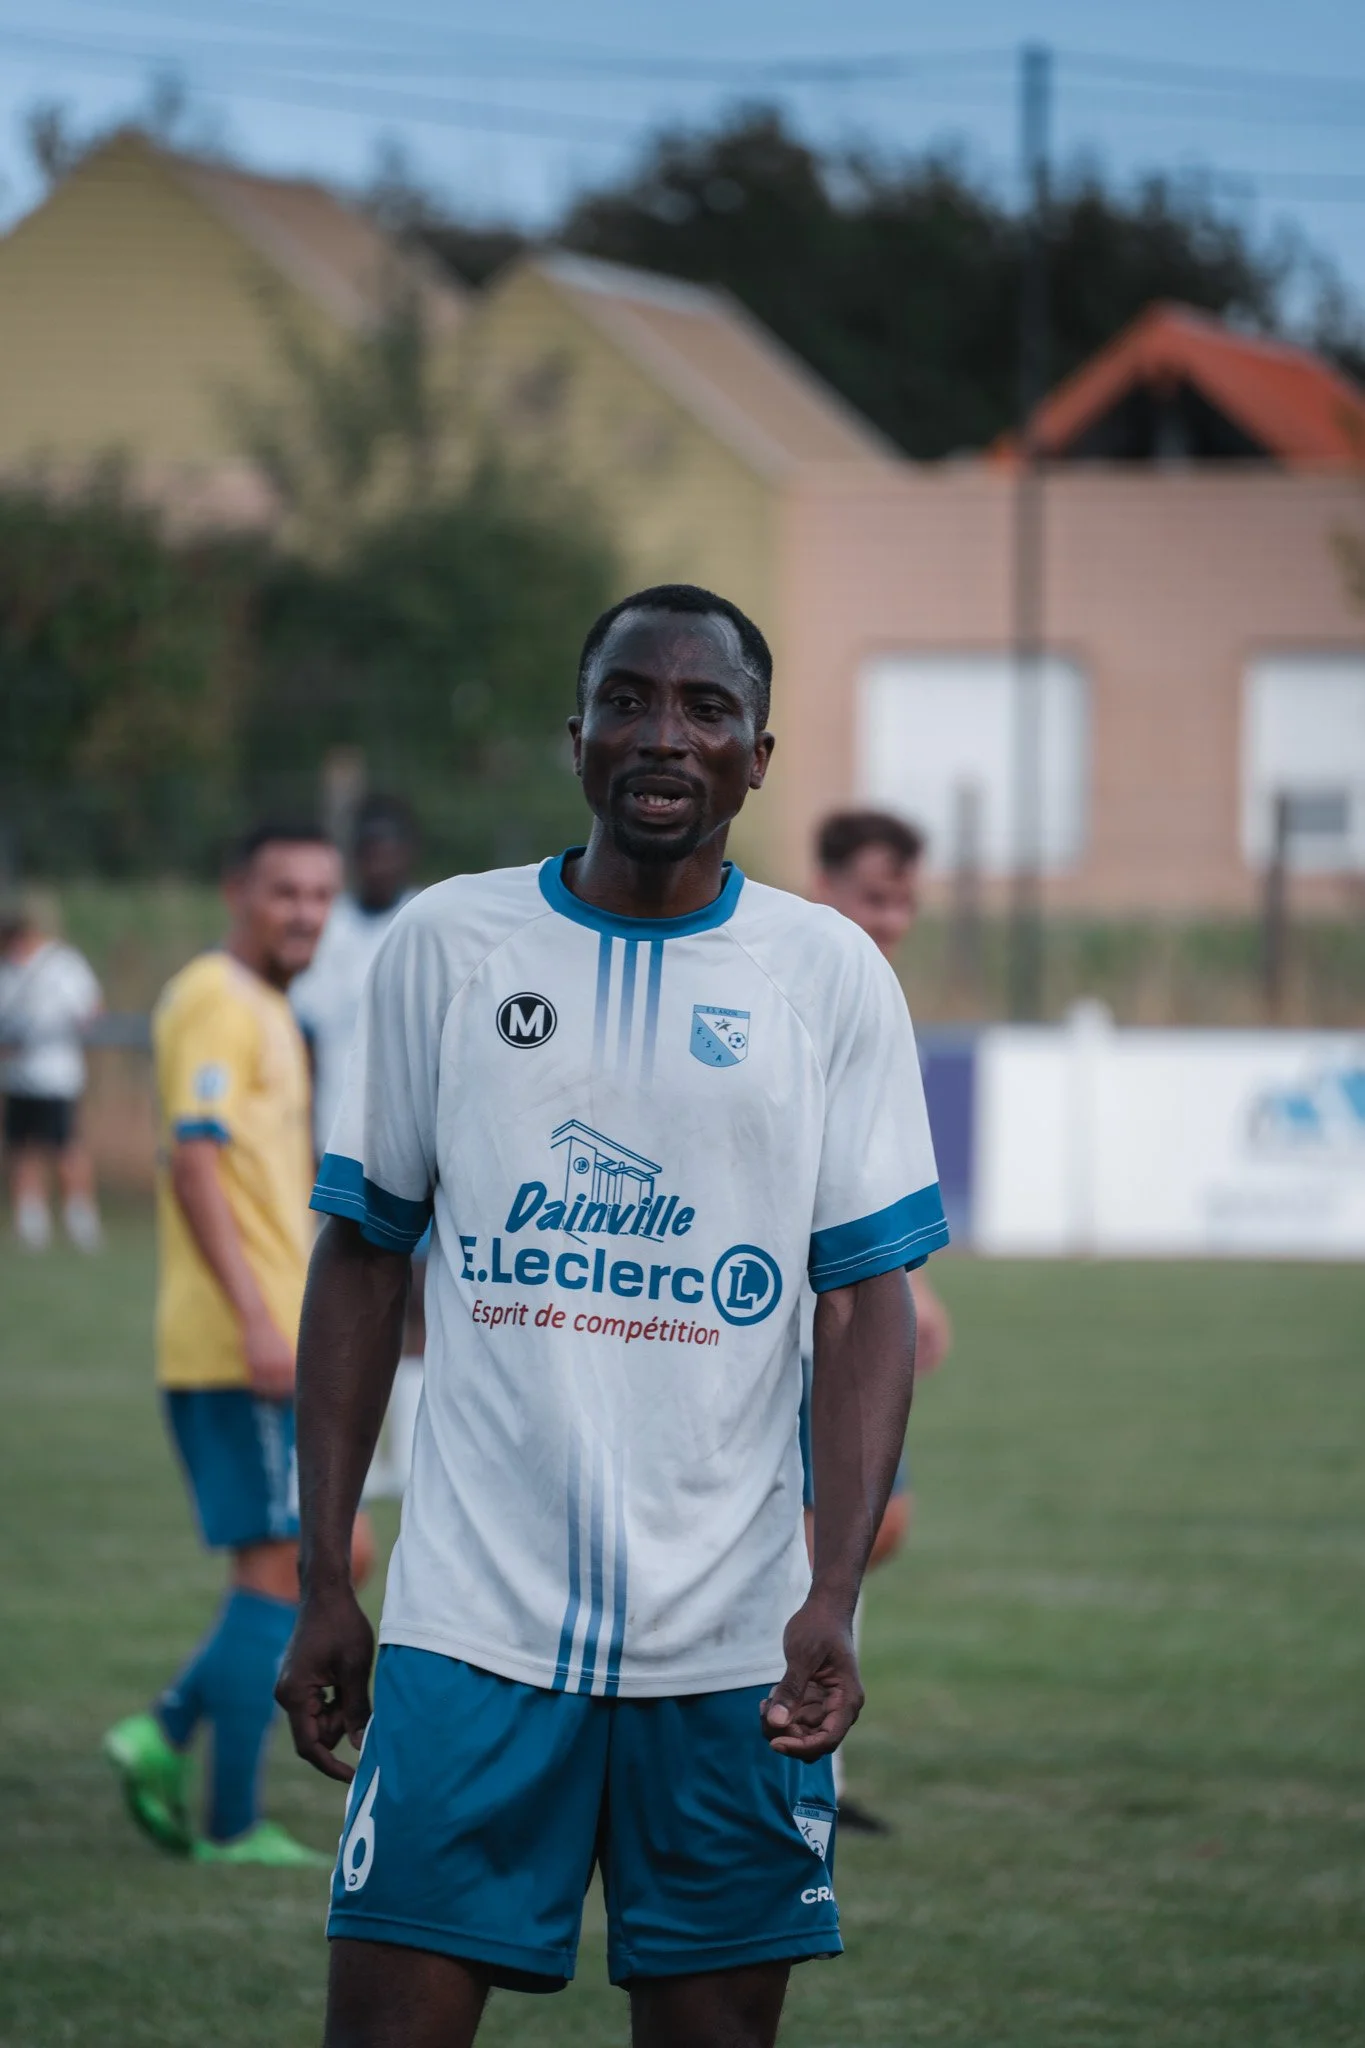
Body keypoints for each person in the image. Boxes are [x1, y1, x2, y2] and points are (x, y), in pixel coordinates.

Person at [277, 583, 950, 2048]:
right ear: (575, 735)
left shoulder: (825, 975)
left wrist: (832, 1589)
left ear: (758, 756)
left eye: (707, 710)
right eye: (631, 701)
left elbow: (864, 1307)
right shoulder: (451, 948)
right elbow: (361, 1261)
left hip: (731, 1646)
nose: (665, 734)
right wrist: (325, 1569)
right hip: (467, 1629)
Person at [103, 823, 374, 1867]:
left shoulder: (271, 1005)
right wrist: (261, 1320)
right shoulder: (216, 995)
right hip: (236, 1340)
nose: (303, 911)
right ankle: (227, 1821)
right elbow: (195, 1163)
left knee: (338, 1551)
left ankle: (165, 1726)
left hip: (276, 1331)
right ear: (236, 892)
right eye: (283, 891)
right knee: (284, 1570)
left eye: (320, 895)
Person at [807, 808, 955, 1834]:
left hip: (860, 1292)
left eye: (904, 899)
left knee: (861, 1527)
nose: (892, 918)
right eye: (873, 895)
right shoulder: (799, 980)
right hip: (802, 1309)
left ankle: (813, 1756)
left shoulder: (872, 989)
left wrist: (919, 1285)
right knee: (830, 1533)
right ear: (823, 884)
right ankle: (793, 1755)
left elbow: (877, 1170)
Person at [291, 796, 425, 1496]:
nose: (377, 863)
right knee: (346, 1297)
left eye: (388, 851)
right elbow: (306, 1034)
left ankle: (408, 1458)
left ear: (404, 857)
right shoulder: (331, 933)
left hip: (413, 1148)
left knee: (420, 1302)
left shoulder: (426, 922)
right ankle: (362, 1460)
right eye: (366, 853)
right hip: (336, 1144)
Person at [0, 904, 103, 1252]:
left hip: (57, 1075)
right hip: (17, 1077)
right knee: (22, 1148)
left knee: (66, 1146)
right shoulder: (6, 970)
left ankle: (80, 1219)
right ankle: (31, 1222)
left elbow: (90, 1009)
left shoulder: (62, 965)